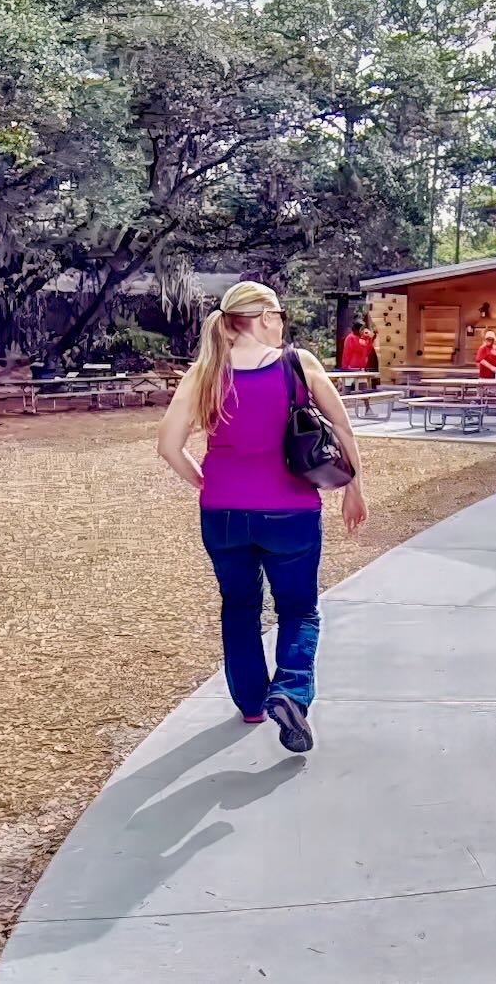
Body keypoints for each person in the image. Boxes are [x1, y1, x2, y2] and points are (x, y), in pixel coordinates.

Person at [157, 281, 368, 754]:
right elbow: (343, 430)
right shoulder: (299, 364)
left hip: (223, 513)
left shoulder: (204, 373)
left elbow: (168, 446)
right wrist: (354, 490)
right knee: (298, 608)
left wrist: (206, 484)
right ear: (265, 317)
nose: (282, 323)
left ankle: (252, 702)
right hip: (289, 511)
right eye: (279, 314)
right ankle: (290, 691)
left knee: (239, 606)